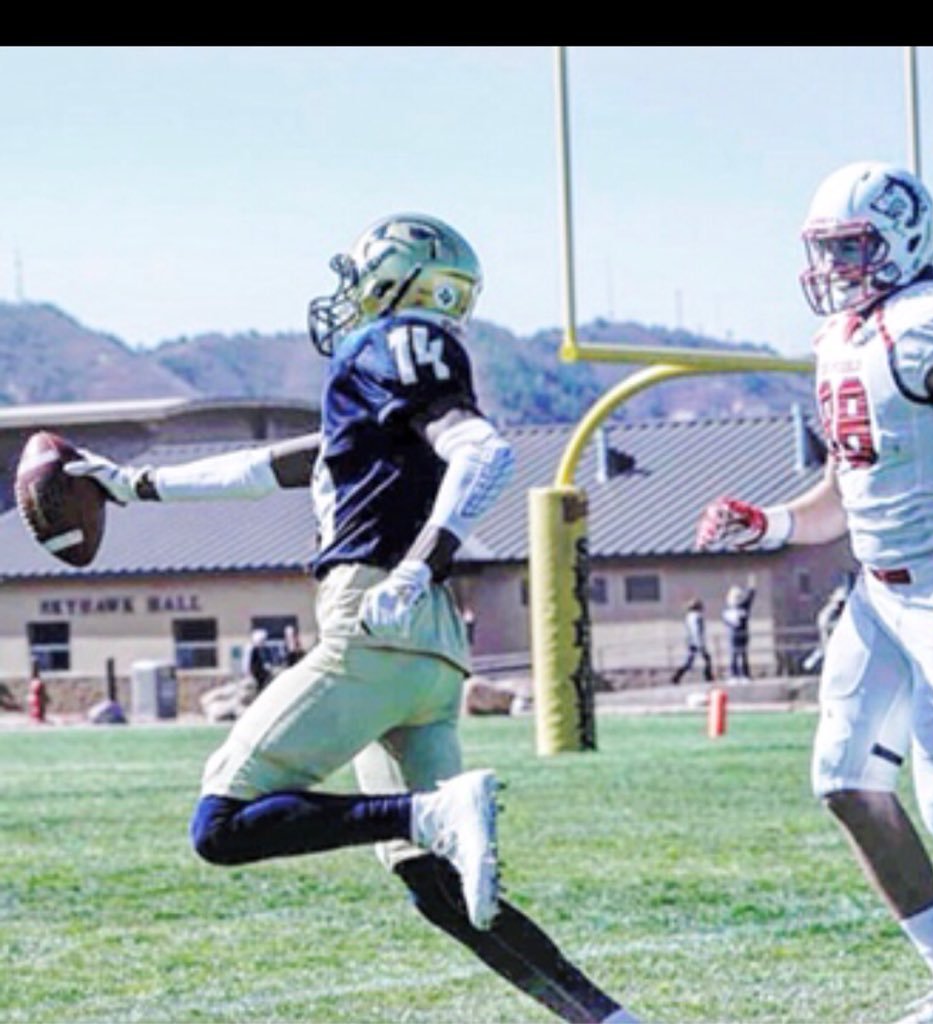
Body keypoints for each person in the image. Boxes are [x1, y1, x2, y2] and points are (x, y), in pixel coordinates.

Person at [67, 213, 638, 1024]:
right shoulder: (378, 392)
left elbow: (484, 452)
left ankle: (428, 811)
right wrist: (133, 486)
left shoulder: (389, 342)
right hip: (427, 647)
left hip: (377, 616)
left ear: (396, 280)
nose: (348, 295)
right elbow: (267, 467)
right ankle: (611, 1020)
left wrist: (418, 564)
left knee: (221, 824)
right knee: (440, 890)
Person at [695, 161, 933, 1024]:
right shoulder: (843, 337)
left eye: (854, 246)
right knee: (843, 781)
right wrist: (763, 525)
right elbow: (843, 491)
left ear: (905, 237)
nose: (837, 265)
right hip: (879, 592)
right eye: (827, 248)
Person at [670, 598, 713, 684]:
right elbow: (696, 631)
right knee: (706, 658)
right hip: (696, 642)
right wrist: (700, 643)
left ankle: (677, 677)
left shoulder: (689, 616)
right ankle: (708, 676)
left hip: (691, 641)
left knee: (690, 661)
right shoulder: (696, 617)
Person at [722, 584, 755, 682]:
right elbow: (727, 623)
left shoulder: (743, 608)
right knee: (734, 655)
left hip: (743, 635)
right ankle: (734, 675)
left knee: (743, 655)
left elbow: (749, 599)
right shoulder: (727, 611)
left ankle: (745, 675)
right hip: (733, 636)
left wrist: (751, 589)